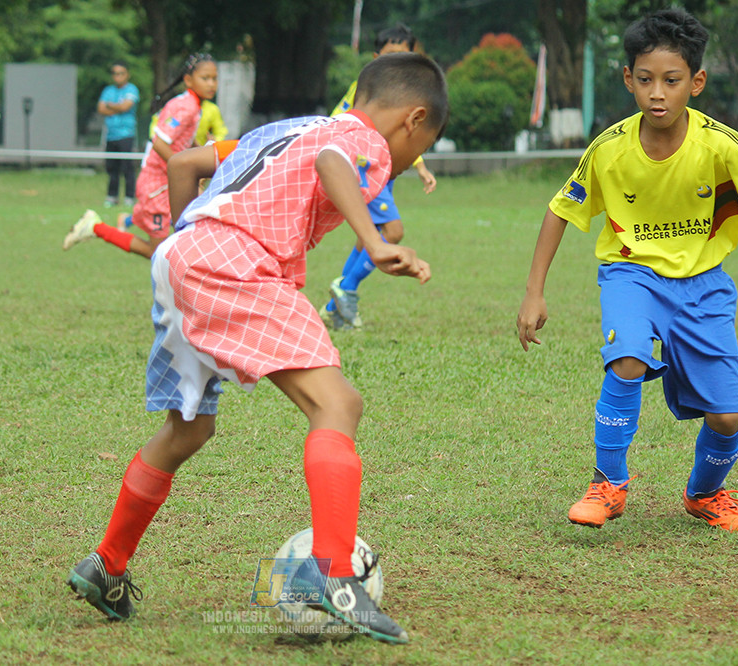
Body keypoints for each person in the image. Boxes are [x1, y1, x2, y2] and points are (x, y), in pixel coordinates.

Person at [65, 52, 448, 644]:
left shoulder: (285, 128)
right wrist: (373, 242)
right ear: (413, 119)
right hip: (238, 263)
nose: (405, 162)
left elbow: (187, 163)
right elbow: (332, 162)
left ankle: (106, 564)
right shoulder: (362, 139)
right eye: (421, 146)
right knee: (337, 404)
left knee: (187, 429)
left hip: (183, 257)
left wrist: (184, 244)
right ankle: (334, 577)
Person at [516, 8, 738, 534]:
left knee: (727, 415)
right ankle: (607, 484)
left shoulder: (720, 143)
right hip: (631, 273)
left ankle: (705, 494)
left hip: (704, 286)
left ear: (696, 82)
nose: (657, 93)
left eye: (671, 80)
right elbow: (560, 209)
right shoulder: (609, 148)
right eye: (645, 80)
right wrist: (534, 292)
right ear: (628, 79)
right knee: (627, 358)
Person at [322, 22, 438, 330]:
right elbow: (337, 120)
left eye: (403, 56)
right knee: (393, 231)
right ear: (376, 58)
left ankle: (336, 304)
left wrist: (420, 167)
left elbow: (407, 135)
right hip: (366, 167)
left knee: (367, 236)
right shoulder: (365, 87)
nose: (396, 63)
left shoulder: (410, 94)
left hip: (386, 171)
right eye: (390, 56)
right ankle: (347, 288)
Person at [62, 53, 218, 260]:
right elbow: (160, 143)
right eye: (205, 78)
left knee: (200, 225)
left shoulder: (194, 106)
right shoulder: (186, 107)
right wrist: (185, 169)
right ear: (188, 80)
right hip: (157, 186)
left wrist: (204, 151)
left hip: (168, 182)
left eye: (214, 78)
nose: (211, 84)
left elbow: (183, 140)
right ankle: (96, 227)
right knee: (158, 253)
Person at [98, 61, 140, 208]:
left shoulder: (132, 89)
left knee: (127, 168)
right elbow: (101, 109)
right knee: (112, 168)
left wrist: (110, 106)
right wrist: (118, 108)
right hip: (111, 135)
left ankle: (129, 197)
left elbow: (125, 106)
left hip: (126, 134)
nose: (118, 76)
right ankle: (112, 197)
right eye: (115, 73)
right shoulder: (108, 90)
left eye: (121, 73)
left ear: (127, 74)